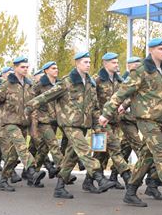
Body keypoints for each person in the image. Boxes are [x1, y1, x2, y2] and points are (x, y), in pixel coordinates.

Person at [99, 39, 162, 210]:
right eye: (160, 49)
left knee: (146, 156)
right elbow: (122, 93)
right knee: (161, 154)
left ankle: (131, 191)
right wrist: (107, 113)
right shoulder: (141, 70)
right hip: (146, 120)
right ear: (151, 51)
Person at [29, 51, 116, 198]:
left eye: (89, 62)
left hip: (83, 124)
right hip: (69, 124)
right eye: (85, 62)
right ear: (77, 63)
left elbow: (94, 107)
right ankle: (99, 177)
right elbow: (46, 96)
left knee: (71, 156)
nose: (88, 65)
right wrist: (29, 106)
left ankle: (59, 187)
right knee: (84, 149)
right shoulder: (67, 81)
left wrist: (97, 125)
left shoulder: (90, 83)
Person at [0, 56, 46, 191]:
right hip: (9, 122)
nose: (25, 69)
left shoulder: (29, 85)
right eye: (22, 67)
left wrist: (34, 126)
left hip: (23, 123)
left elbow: (33, 106)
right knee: (22, 146)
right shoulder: (6, 85)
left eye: (27, 67)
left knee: (13, 155)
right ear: (15, 68)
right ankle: (31, 169)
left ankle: (3, 180)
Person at [95, 52, 133, 189]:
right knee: (112, 147)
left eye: (117, 62)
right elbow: (92, 100)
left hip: (115, 121)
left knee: (102, 152)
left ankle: (90, 180)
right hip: (101, 121)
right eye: (113, 62)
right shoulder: (97, 80)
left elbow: (126, 96)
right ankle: (127, 176)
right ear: (105, 64)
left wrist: (124, 105)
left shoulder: (119, 80)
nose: (117, 65)